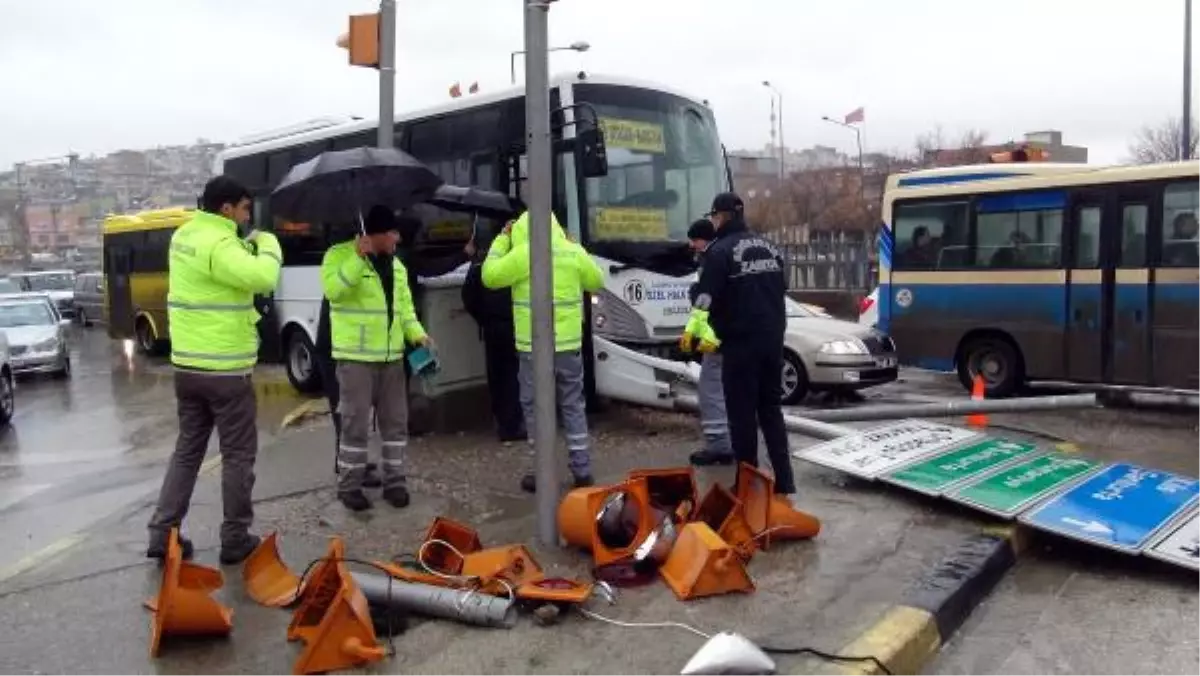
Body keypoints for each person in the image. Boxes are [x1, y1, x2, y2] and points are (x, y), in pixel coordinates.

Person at [146, 176, 282, 564]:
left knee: (188, 451)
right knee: (238, 456)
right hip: (224, 371)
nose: (246, 218)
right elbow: (263, 277)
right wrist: (267, 243)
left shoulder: (184, 236)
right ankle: (235, 538)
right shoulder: (221, 243)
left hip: (187, 368)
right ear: (226, 208)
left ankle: (162, 532)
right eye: (244, 210)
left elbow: (219, 288)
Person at [684, 192, 798, 502]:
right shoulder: (771, 248)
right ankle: (785, 482)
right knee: (771, 411)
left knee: (742, 417)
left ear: (720, 217)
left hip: (739, 345)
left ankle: (748, 486)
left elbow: (705, 301)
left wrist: (695, 294)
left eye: (714, 217)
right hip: (773, 341)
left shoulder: (720, 253)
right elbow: (780, 289)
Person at [482, 210, 605, 493]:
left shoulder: (525, 252)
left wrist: (502, 240)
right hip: (568, 345)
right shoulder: (571, 252)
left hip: (533, 347)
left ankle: (542, 472)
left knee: (535, 407)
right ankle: (582, 469)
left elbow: (489, 277)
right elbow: (596, 281)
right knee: (573, 405)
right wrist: (575, 245)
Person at [321, 205, 431, 512]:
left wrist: (418, 335)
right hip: (355, 359)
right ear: (378, 234)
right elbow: (333, 291)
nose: (397, 238)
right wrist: (357, 259)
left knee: (395, 424)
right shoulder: (338, 255)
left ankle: (395, 482)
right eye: (393, 233)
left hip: (392, 359)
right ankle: (350, 485)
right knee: (355, 426)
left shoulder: (396, 265)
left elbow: (405, 311)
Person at [462, 221, 527, 442]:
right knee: (516, 376)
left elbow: (469, 297)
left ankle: (503, 423)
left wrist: (484, 319)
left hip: (492, 328)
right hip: (514, 326)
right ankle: (515, 424)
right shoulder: (519, 261)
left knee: (498, 377)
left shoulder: (483, 264)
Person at [680, 218, 732, 466]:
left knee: (710, 390)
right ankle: (731, 442)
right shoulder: (727, 253)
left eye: (694, 239)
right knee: (727, 390)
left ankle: (719, 445)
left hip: (717, 338)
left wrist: (694, 292)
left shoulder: (713, 259)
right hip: (731, 336)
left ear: (705, 239)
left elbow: (705, 301)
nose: (692, 244)